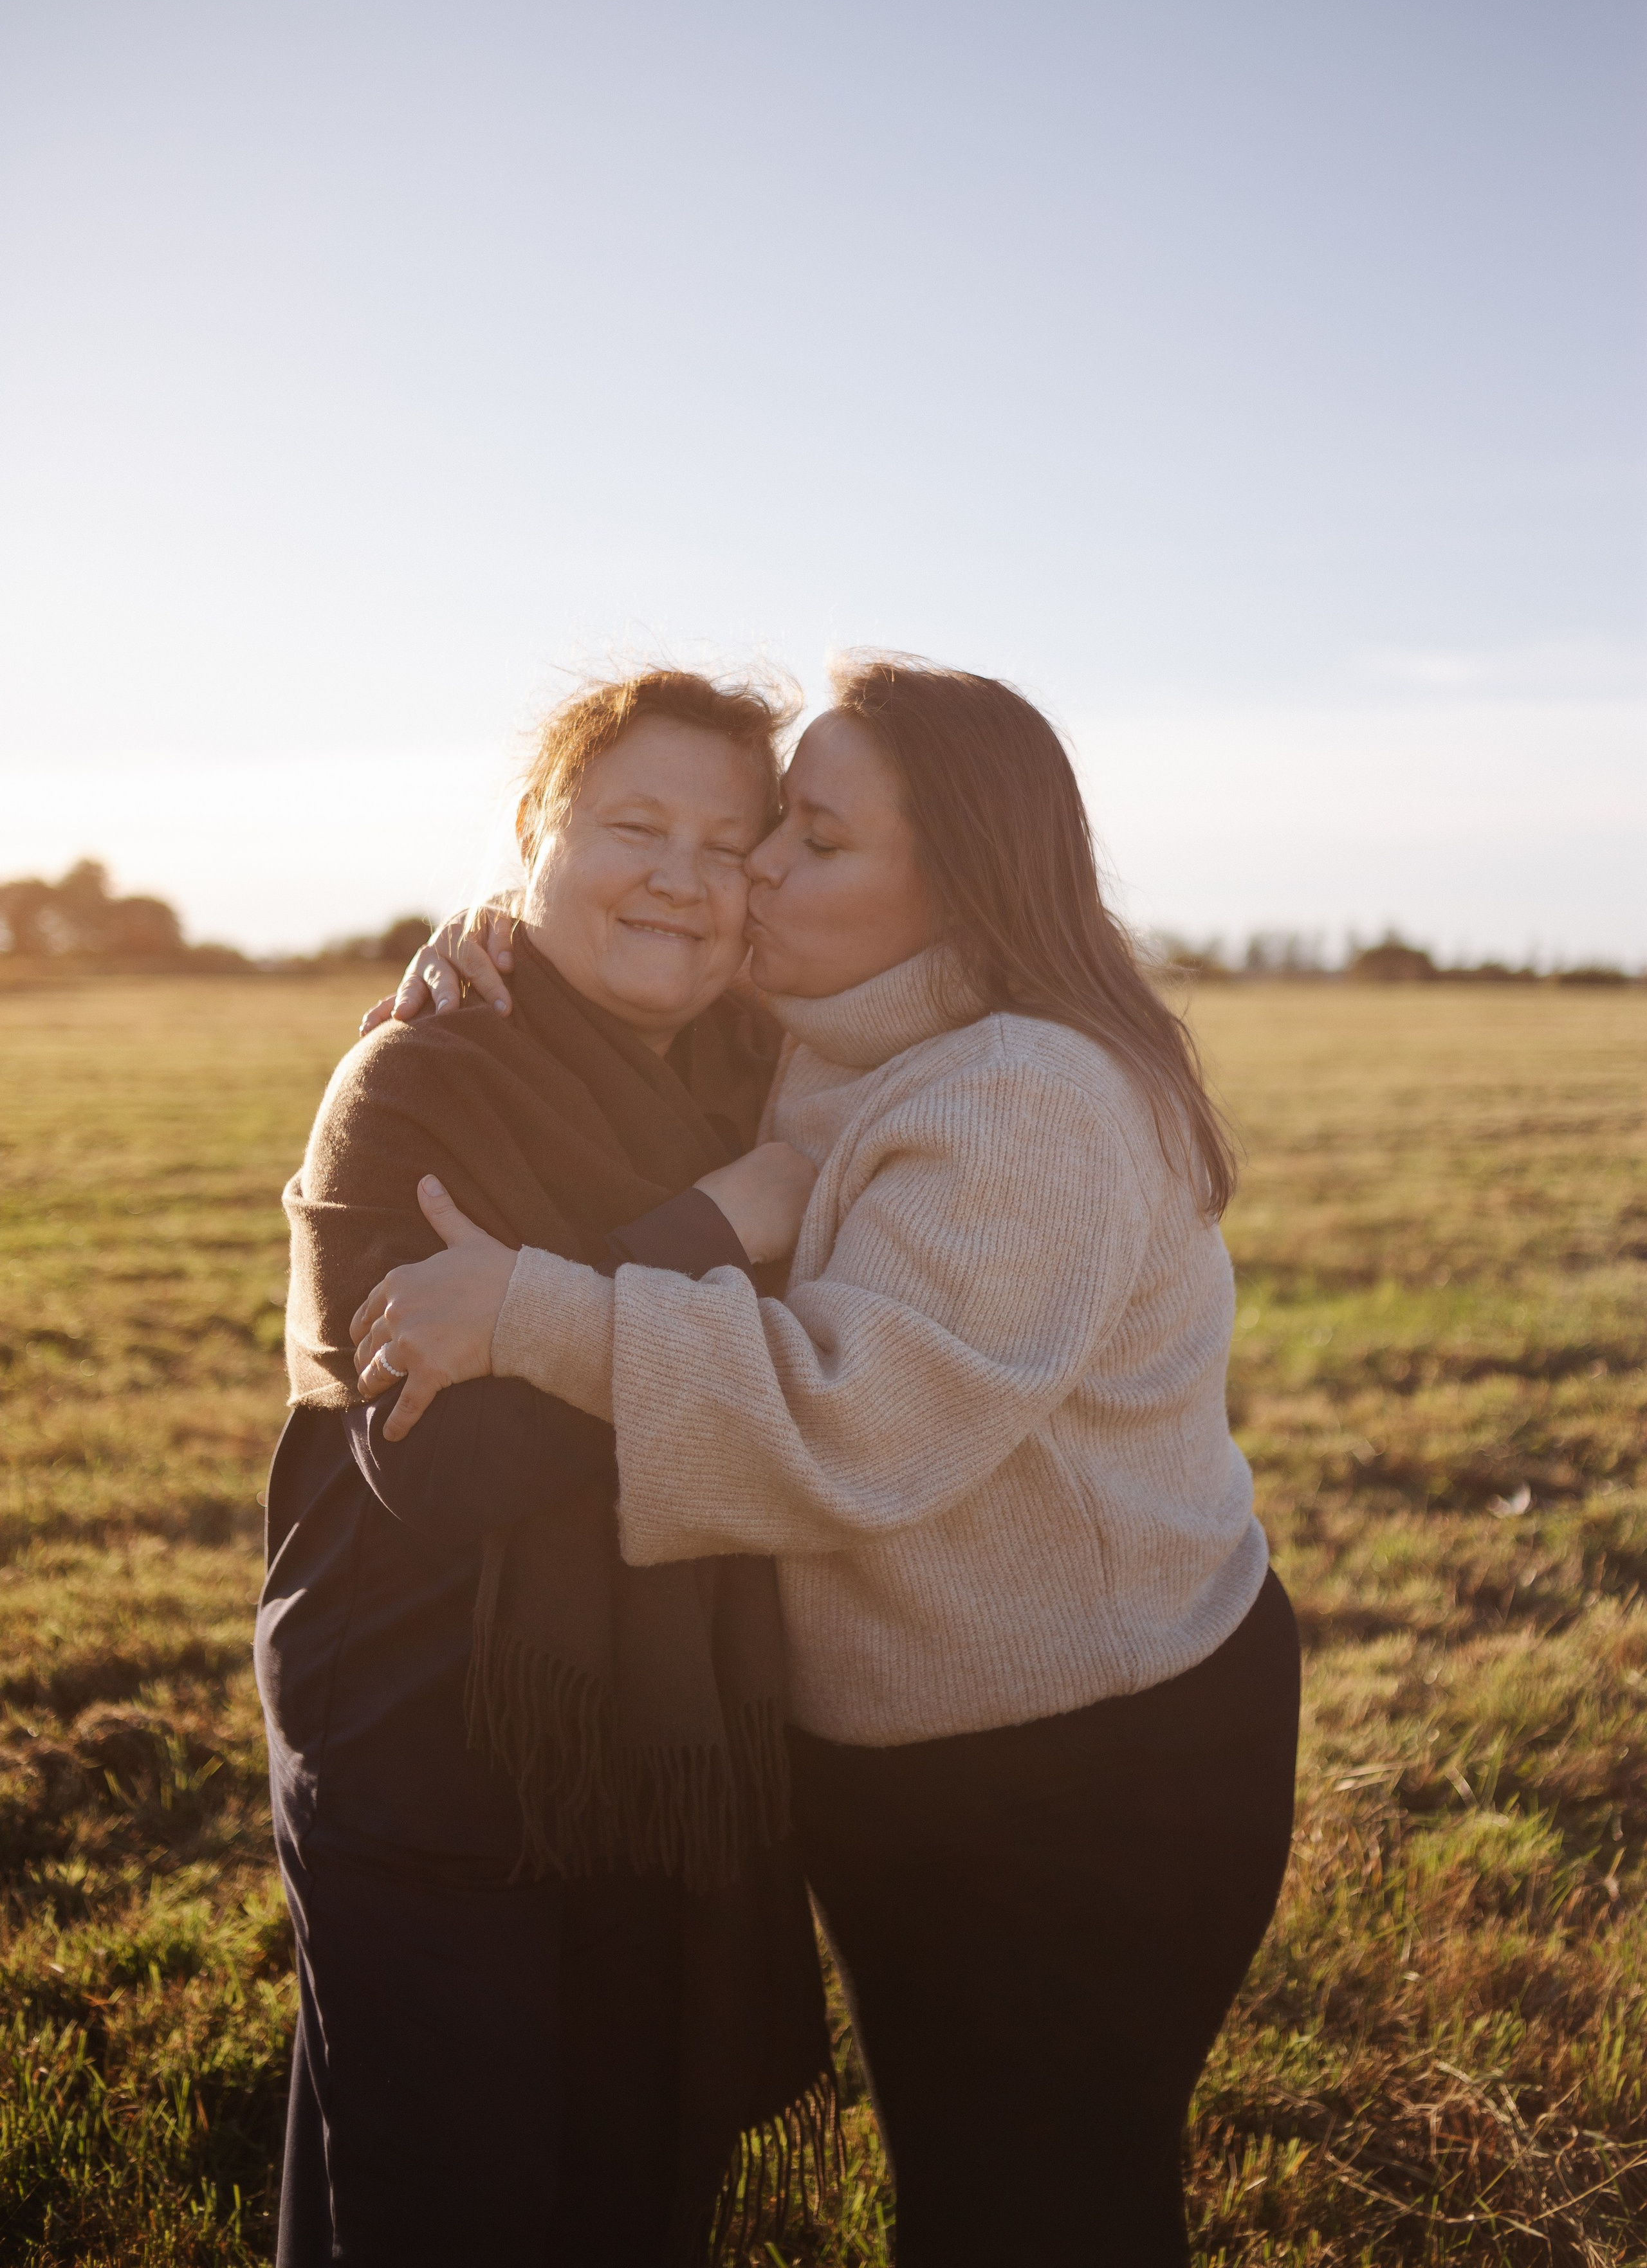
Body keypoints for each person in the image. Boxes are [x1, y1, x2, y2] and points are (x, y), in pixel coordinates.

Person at [357, 655, 1302, 2268]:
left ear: (963, 885)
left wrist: (528, 1311)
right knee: (969, 2177)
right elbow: (630, 904)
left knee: (1038, 2202)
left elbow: (844, 1417)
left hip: (1086, 1765)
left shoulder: (1024, 1102)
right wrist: (492, 929)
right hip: (920, 1747)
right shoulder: (841, 1037)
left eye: (809, 839)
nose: (756, 874)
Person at [256, 667, 836, 2268]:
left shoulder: (758, 1071)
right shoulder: (417, 1078)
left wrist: (541, 1307)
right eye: (634, 826)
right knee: (446, 2197)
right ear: (536, 831)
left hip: (663, 1760)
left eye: (730, 845)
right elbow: (452, 1467)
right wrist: (722, 1227)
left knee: (630, 2196)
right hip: (429, 1741)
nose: (679, 875)